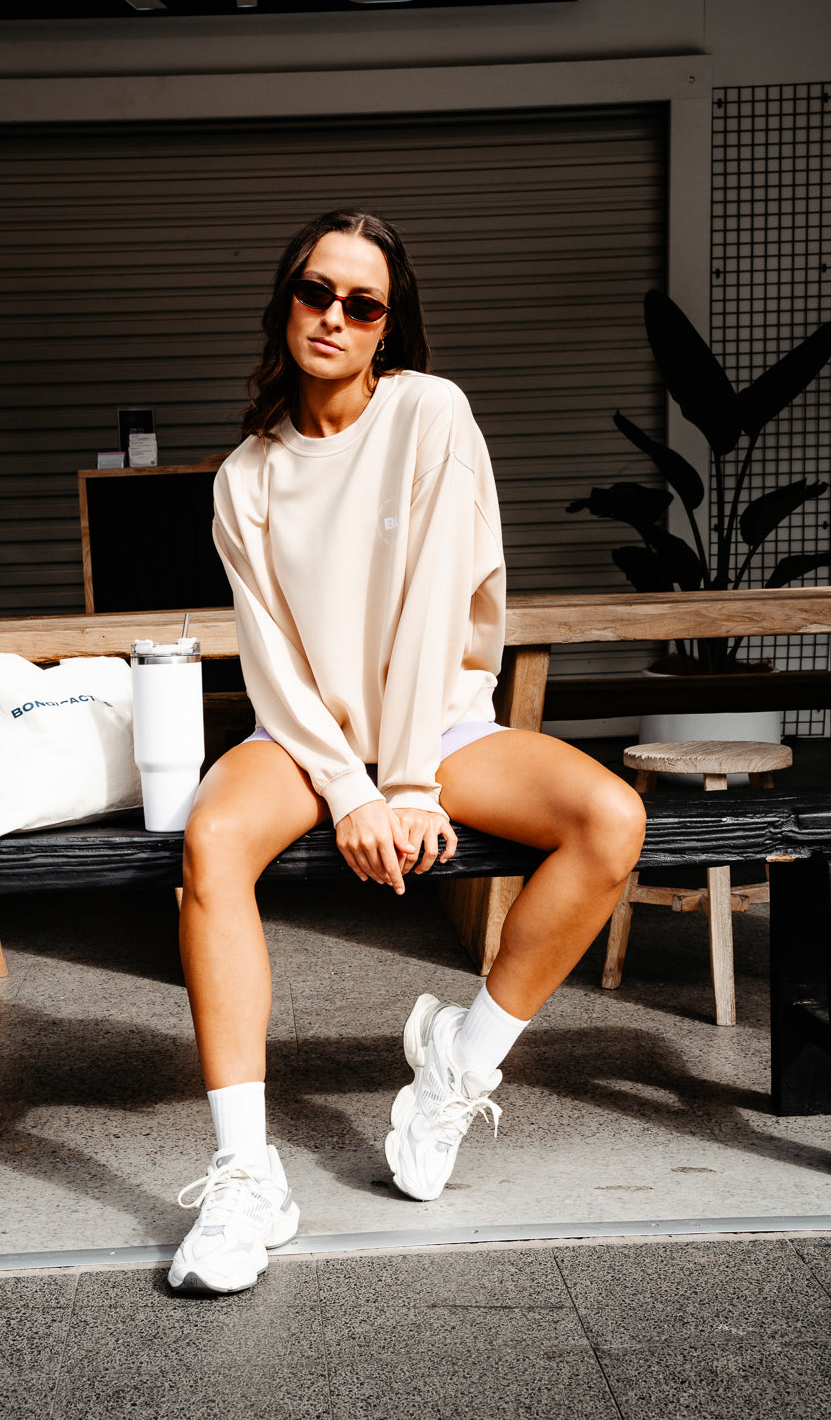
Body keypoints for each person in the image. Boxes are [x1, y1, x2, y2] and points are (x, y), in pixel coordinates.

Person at [168, 209, 646, 1294]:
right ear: (286, 302)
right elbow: (274, 658)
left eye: (362, 302)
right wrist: (352, 791)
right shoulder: (245, 476)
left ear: (390, 324)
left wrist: (411, 781)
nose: (334, 316)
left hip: (436, 725)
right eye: (316, 292)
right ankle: (245, 1177)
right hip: (306, 736)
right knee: (213, 840)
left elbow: (440, 601)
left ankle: (456, 1068)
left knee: (611, 819)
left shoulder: (431, 412)